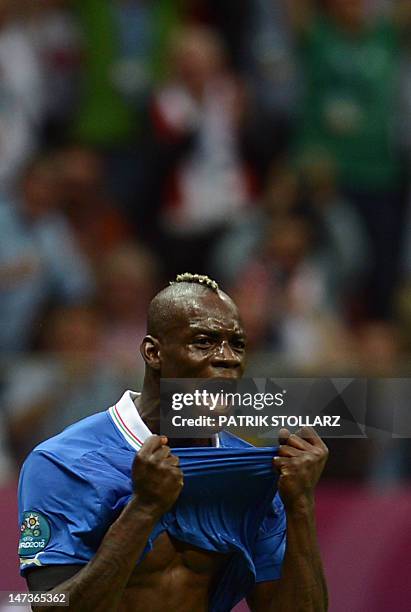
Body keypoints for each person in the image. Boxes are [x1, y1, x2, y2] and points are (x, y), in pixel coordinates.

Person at [18, 273, 328, 611]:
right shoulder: (63, 462)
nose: (228, 358)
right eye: (204, 341)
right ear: (153, 352)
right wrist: (144, 509)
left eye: (237, 345)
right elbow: (47, 606)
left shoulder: (249, 472)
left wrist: (300, 504)